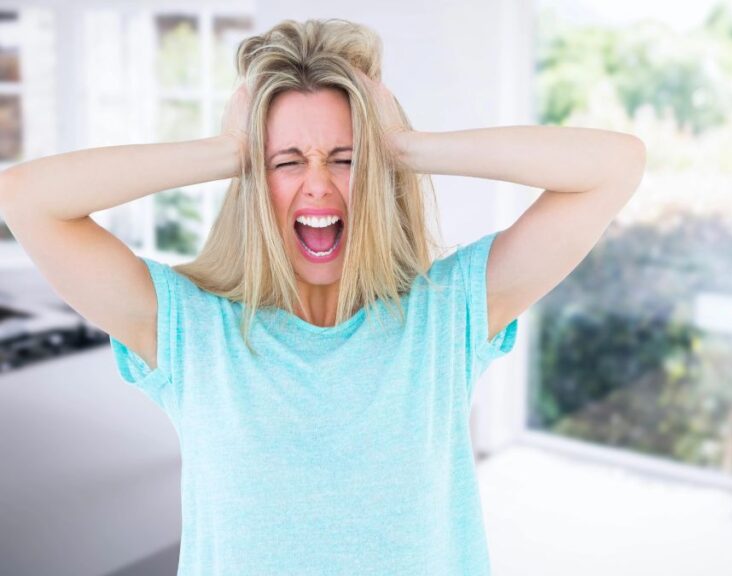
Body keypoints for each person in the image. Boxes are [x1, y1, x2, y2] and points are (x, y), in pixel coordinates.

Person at [0, 17, 646, 576]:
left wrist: (399, 145)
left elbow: (612, 167)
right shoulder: (192, 329)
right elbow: (27, 198)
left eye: (345, 159)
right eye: (286, 163)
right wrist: (227, 150)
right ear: (254, 179)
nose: (317, 186)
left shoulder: (446, 314)